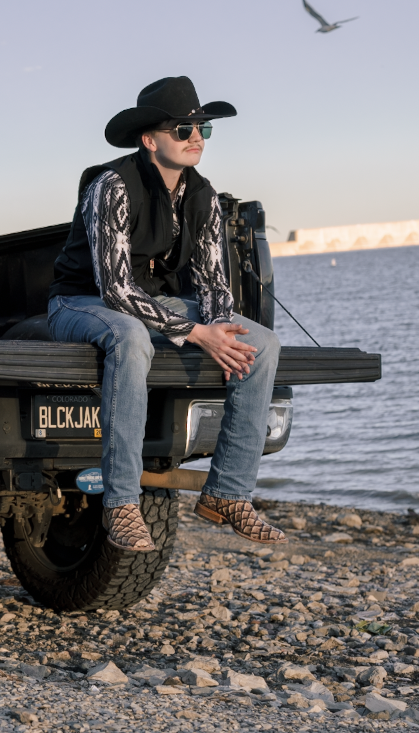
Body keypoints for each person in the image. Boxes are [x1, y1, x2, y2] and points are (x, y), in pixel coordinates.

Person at [47, 76, 287, 551]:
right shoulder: (111, 186)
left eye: (202, 128)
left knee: (261, 345)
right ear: (149, 139)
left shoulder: (204, 196)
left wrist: (220, 328)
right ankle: (120, 503)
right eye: (183, 129)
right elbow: (115, 290)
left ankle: (229, 494)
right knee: (130, 337)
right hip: (82, 302)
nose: (196, 136)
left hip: (154, 304)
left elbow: (216, 283)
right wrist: (197, 333)